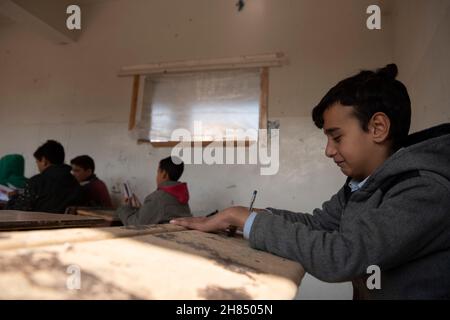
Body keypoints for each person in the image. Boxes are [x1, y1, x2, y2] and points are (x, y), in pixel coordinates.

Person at [171, 64, 450, 299]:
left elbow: (342, 255)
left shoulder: (424, 190)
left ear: (377, 128)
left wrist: (247, 221)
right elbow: (317, 224)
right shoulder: (360, 186)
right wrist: (242, 216)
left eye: (337, 137)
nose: (328, 150)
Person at [6, 140, 83, 213]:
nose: (38, 166)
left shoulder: (37, 182)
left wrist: (14, 198)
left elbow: (18, 210)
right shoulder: (74, 182)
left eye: (37, 162)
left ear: (44, 160)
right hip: (67, 226)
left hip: (36, 225)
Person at [117, 156, 192, 225]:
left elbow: (135, 224)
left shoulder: (158, 198)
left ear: (164, 174)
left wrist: (124, 207)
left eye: (158, 172)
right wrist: (143, 209)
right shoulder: (182, 196)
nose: (156, 177)